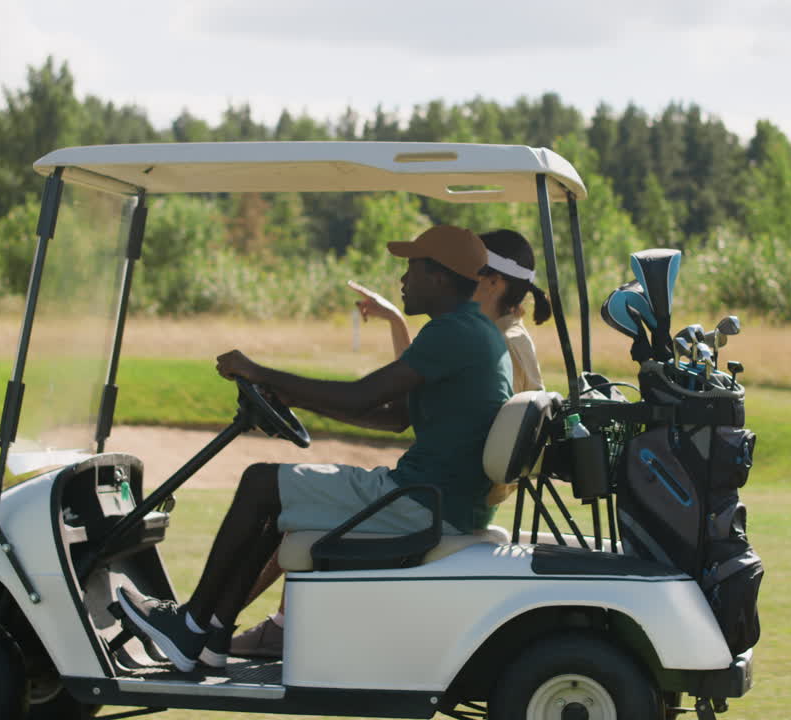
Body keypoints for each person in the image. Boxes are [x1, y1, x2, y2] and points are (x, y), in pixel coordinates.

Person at [116, 225, 513, 673]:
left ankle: (190, 623)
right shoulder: (474, 331)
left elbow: (363, 396)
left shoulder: (453, 332)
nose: (403, 280)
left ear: (440, 277)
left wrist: (259, 372)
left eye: (412, 269)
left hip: (422, 502)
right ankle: (212, 638)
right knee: (275, 494)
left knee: (260, 481)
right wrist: (291, 396)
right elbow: (395, 415)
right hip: (437, 499)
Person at [227, 228, 551, 660]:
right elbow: (413, 398)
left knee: (276, 490)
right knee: (298, 498)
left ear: (488, 281)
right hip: (449, 492)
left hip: (439, 499)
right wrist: (296, 394)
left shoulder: (494, 340)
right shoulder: (489, 334)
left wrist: (266, 375)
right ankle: (223, 623)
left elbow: (398, 392)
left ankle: (221, 625)